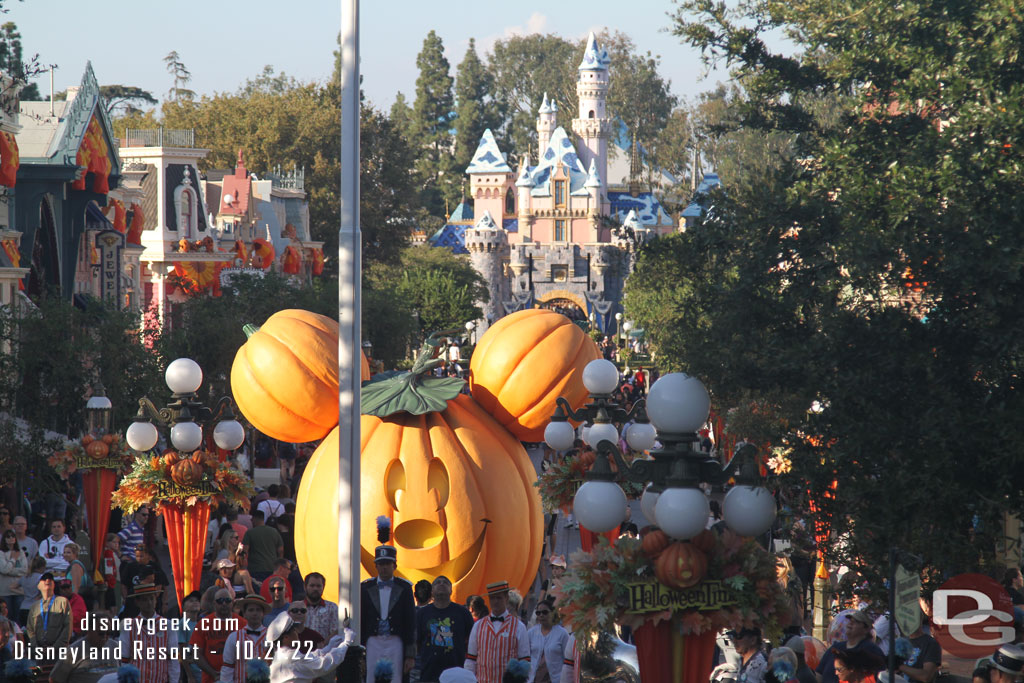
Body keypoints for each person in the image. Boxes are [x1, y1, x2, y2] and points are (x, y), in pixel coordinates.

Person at [360, 542, 416, 683]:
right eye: (381, 563)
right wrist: (360, 651)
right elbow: (362, 618)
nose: (384, 567)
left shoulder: (404, 587)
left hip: (395, 640)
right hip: (373, 639)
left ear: (394, 566)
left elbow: (410, 621)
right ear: (376, 566)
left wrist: (410, 655)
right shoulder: (366, 587)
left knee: (396, 677)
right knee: (370, 677)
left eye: (387, 563)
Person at [265, 611, 358, 683]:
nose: (296, 632)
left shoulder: (282, 655)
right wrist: (345, 644)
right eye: (293, 630)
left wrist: (328, 648)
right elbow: (324, 664)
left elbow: (308, 657)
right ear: (286, 637)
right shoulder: (292, 658)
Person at [465, 581, 530, 683]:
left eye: (499, 598)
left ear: (506, 598)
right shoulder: (478, 626)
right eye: (492, 598)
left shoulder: (519, 627)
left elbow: (525, 660)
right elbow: (471, 659)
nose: (495, 601)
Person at [415, 575, 474, 683]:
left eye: (445, 583)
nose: (441, 584)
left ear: (451, 590)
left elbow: (472, 640)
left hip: (456, 673)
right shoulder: (422, 614)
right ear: (432, 591)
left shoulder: (463, 613)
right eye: (438, 583)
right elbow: (417, 643)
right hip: (429, 673)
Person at [119, 583, 181, 683]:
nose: (149, 603)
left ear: (156, 600)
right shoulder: (129, 626)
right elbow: (124, 659)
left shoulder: (168, 625)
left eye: (152, 599)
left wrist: (173, 681)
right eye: (144, 600)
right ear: (137, 602)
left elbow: (173, 660)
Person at [50, 612, 121, 683]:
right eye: (101, 633)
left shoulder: (114, 646)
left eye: (108, 633)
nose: (105, 637)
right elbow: (55, 679)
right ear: (89, 630)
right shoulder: (74, 651)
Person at [817, 611, 884, 683]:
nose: (850, 624)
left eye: (856, 622)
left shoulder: (871, 650)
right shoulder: (836, 647)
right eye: (850, 621)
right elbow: (819, 674)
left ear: (866, 629)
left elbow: (879, 677)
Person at [26, 572, 72, 674]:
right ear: (38, 586)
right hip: (39, 654)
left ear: (54, 585)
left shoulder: (62, 602)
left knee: (57, 678)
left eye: (50, 579)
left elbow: (67, 628)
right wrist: (37, 648)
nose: (47, 580)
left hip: (57, 653)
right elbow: (30, 630)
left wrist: (55, 648)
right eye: (44, 579)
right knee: (39, 678)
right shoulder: (34, 607)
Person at [190, 588, 239, 683]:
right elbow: (196, 653)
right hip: (210, 678)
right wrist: (214, 674)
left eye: (227, 600)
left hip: (236, 678)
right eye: (220, 601)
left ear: (232, 603)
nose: (224, 604)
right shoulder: (203, 623)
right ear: (214, 604)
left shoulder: (242, 623)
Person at [220, 594, 271, 683]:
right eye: (251, 610)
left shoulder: (272, 637)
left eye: (258, 610)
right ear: (244, 614)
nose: (255, 613)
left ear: (263, 614)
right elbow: (228, 667)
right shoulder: (234, 637)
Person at [526, 600, 568, 683]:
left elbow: (567, 660)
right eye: (538, 613)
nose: (541, 615)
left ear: (552, 613)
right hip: (533, 679)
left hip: (555, 679)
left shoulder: (562, 634)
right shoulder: (531, 633)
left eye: (545, 612)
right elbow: (526, 656)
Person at [239, 511, 283, 582]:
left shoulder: (250, 533)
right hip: (271, 568)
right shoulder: (274, 531)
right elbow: (280, 550)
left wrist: (243, 566)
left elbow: (245, 551)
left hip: (255, 569)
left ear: (255, 519)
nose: (251, 521)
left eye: (252, 519)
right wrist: (278, 565)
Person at [302, 572, 338, 641]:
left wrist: (324, 645)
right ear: (305, 587)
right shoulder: (297, 609)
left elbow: (335, 632)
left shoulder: (332, 608)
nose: (315, 589)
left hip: (326, 650)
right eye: (312, 586)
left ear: (323, 587)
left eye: (318, 586)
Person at [0, 527, 27, 616]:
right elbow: (3, 569)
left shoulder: (21, 552)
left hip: (18, 590)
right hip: (5, 591)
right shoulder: (1, 553)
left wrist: (9, 571)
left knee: (18, 615)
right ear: (4, 539)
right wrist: (13, 559)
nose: (11, 538)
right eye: (8, 537)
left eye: (12, 536)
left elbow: (24, 570)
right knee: (7, 615)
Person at [19, 555, 46, 624]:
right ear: (43, 567)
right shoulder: (41, 578)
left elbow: (12, 586)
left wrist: (23, 592)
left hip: (24, 607)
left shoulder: (25, 577)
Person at [100, 534, 122, 612]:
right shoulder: (108, 553)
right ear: (107, 543)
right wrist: (111, 583)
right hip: (112, 584)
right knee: (113, 607)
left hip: (114, 582)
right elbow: (109, 570)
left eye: (118, 542)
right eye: (114, 542)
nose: (117, 544)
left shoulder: (113, 553)